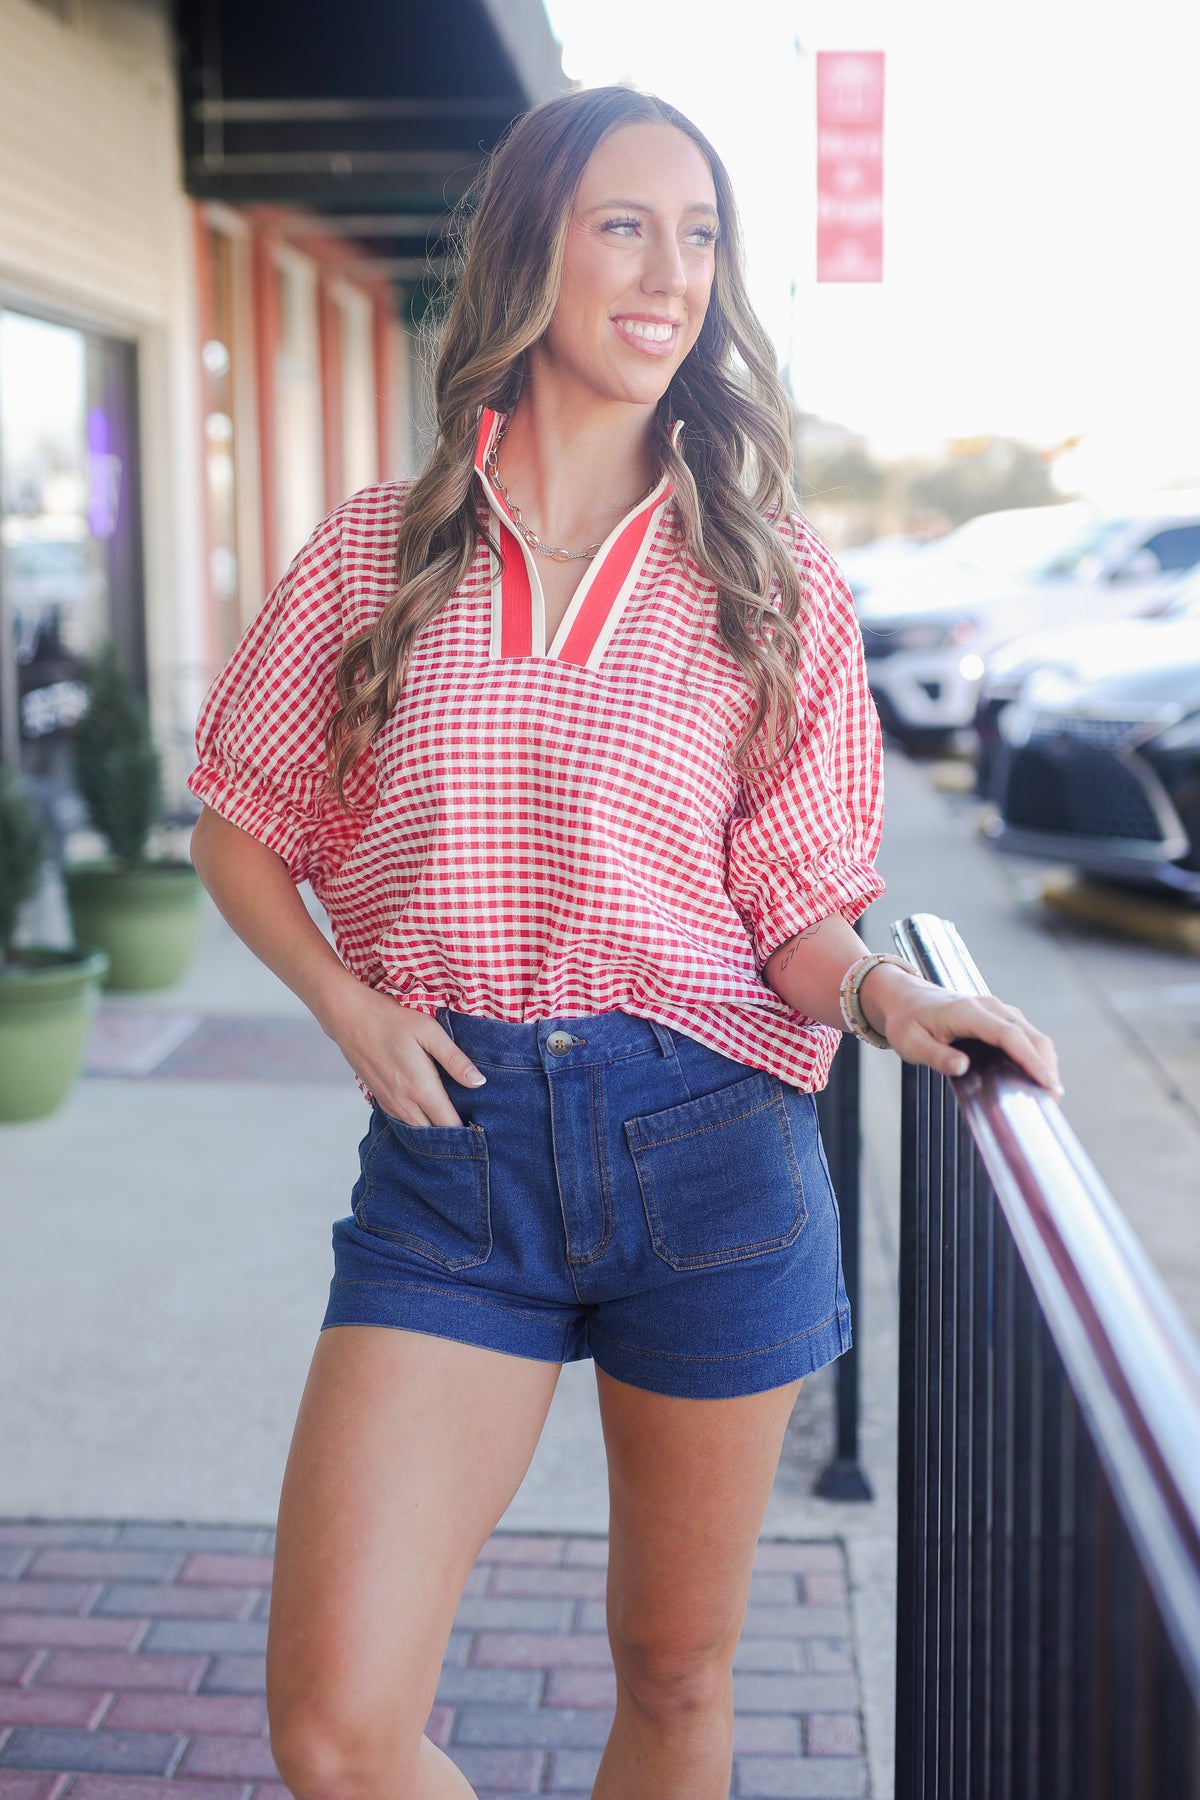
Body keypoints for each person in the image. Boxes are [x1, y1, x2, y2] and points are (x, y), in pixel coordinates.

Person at [188, 85, 1061, 1800]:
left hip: (714, 1152)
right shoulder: (378, 549)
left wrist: (892, 994)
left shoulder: (770, 571)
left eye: (703, 234)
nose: (670, 274)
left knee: (675, 1680)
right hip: (456, 1156)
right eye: (623, 225)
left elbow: (793, 915)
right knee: (337, 1731)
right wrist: (347, 1007)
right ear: (533, 250)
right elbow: (241, 823)